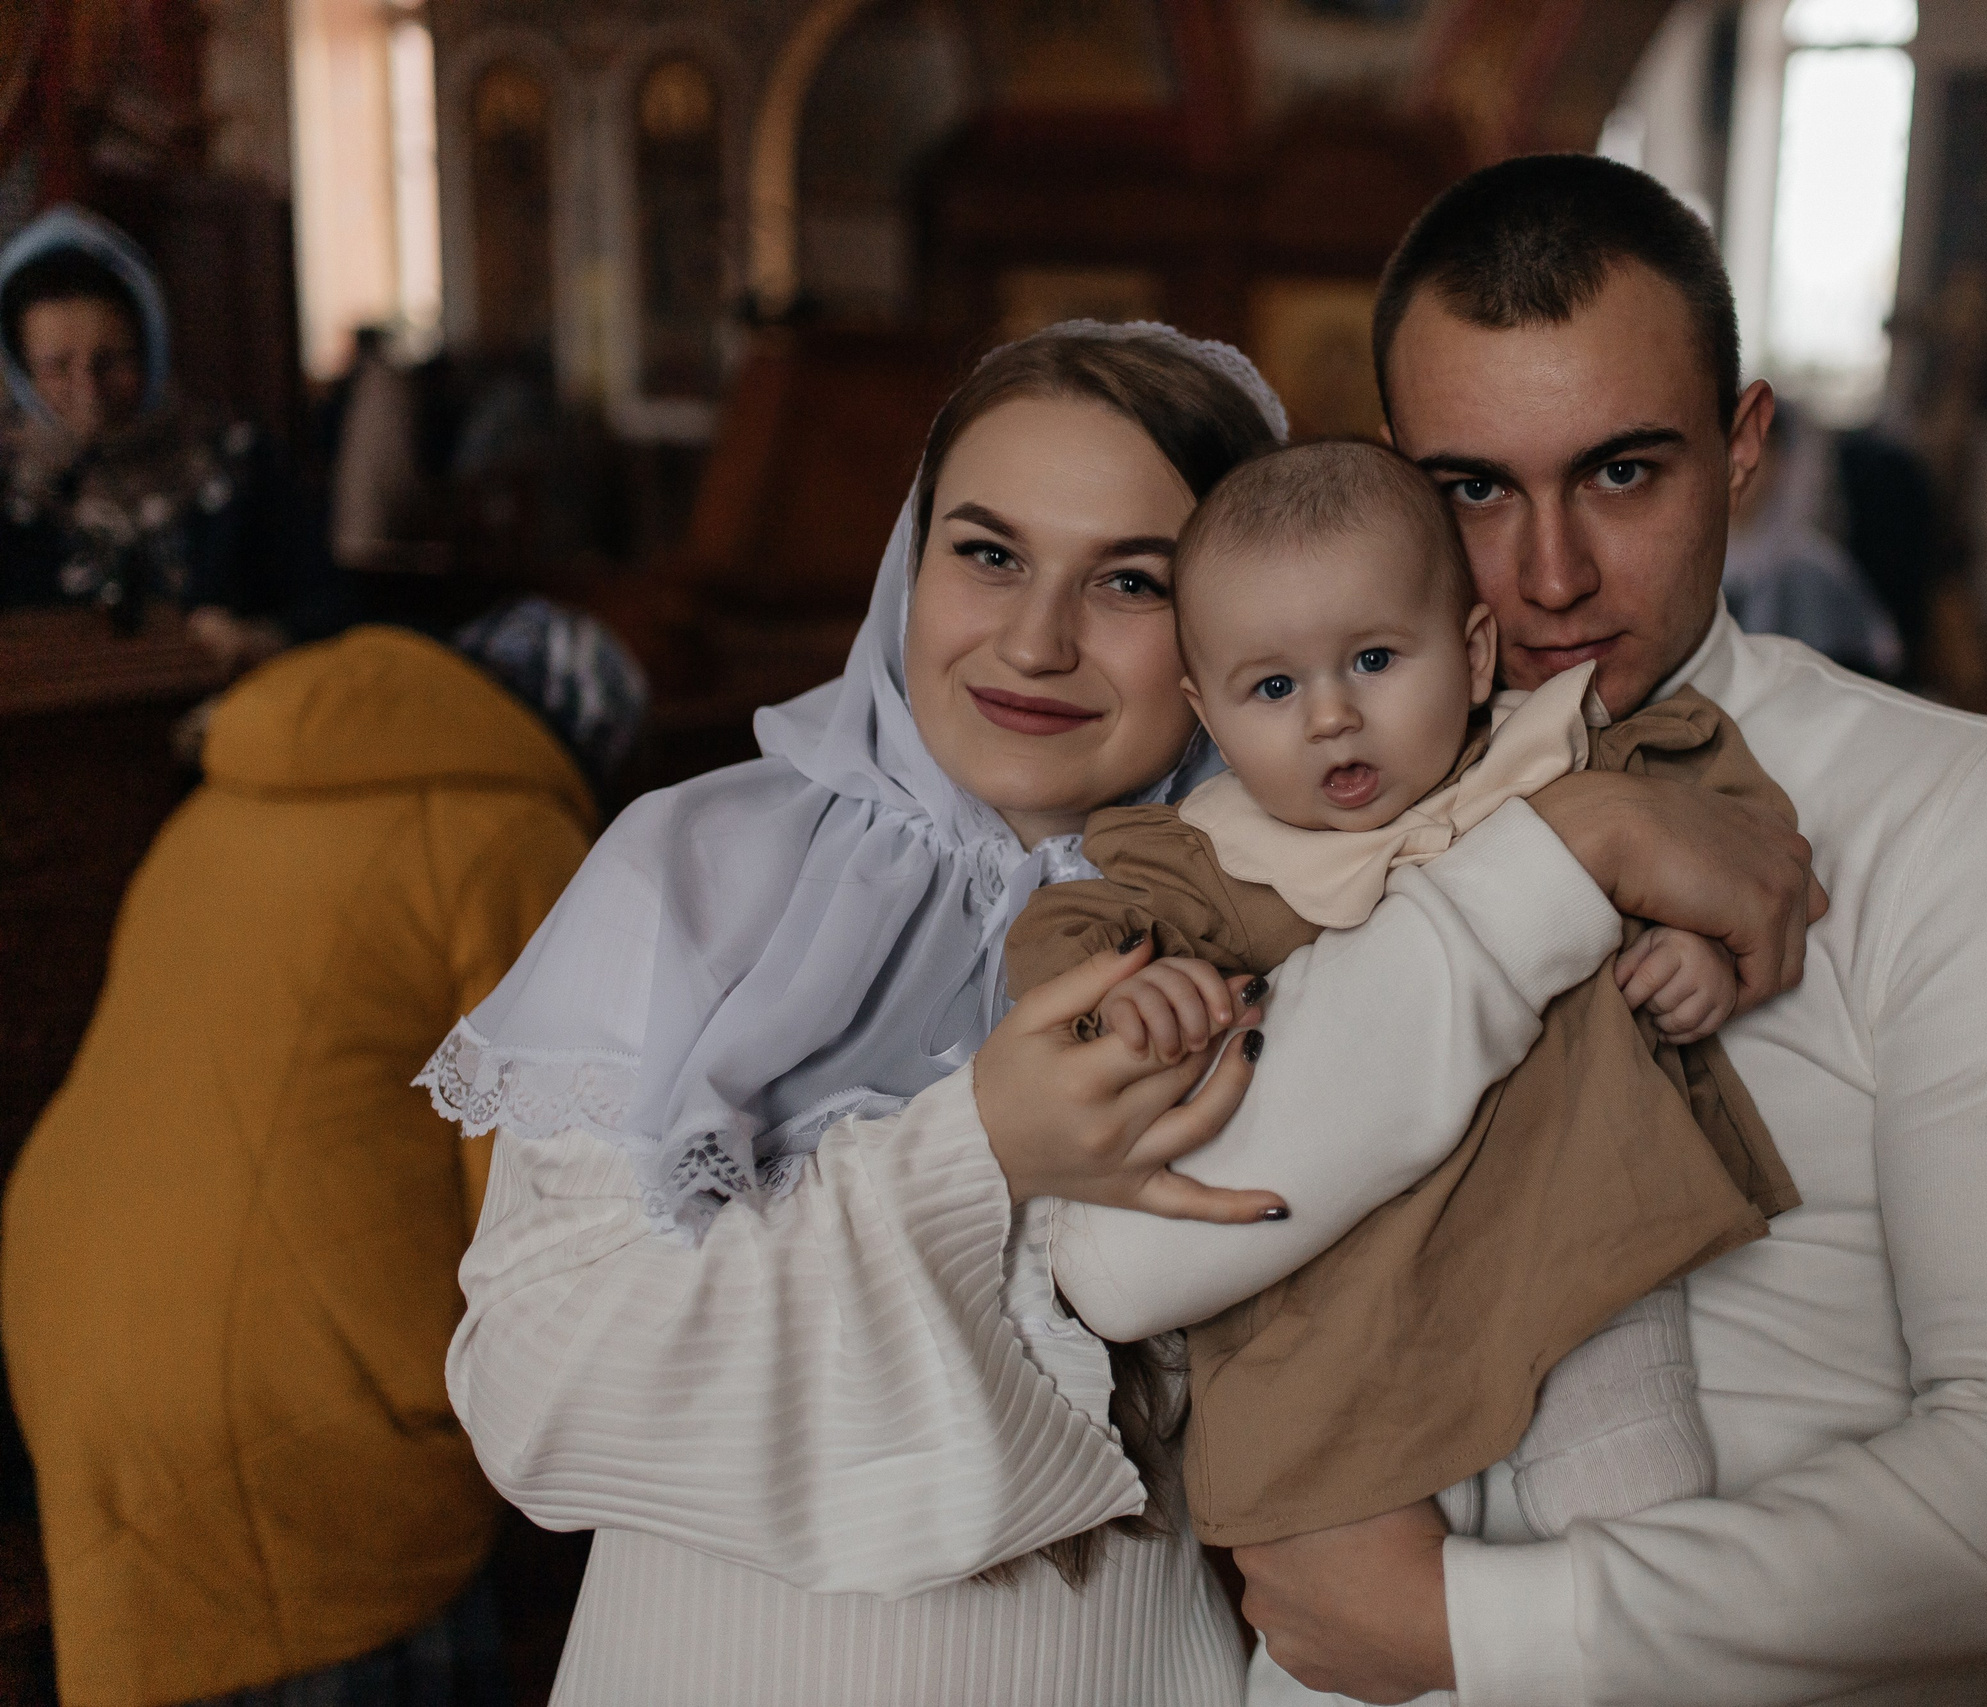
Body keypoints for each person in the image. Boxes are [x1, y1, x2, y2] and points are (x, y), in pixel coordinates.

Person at [429, 322, 1821, 1706]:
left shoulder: (1319, 882)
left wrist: (1576, 843)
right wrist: (978, 1148)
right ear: (911, 564)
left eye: (1131, 582)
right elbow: (539, 1404)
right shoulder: (691, 870)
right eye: (988, 554)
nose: (1034, 641)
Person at [1046, 155, 1987, 1707]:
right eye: (1473, 489)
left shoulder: (1951, 810)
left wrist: (1471, 1627)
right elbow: (1116, 1262)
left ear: (1745, 445)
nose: (1554, 574)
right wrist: (1571, 846)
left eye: (1624, 473)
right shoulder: (1269, 804)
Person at [1005, 438, 1795, 1553]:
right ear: (1207, 714)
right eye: (1273, 687)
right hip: (1352, 1309)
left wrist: (1691, 944)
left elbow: (1728, 852)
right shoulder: (1205, 860)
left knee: (1644, 1511)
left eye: (1374, 660)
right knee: (1343, 1573)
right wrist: (1135, 993)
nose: (1330, 715)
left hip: (1582, 1233)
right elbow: (1066, 936)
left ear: (1471, 655)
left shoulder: (1555, 759)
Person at [1, 599, 646, 1707]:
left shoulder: (226, 796)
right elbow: (544, 1204)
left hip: (73, 1334)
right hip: (295, 1388)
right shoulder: (513, 834)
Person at [0, 205, 339, 671]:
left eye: (112, 360)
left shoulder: (237, 463)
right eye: (57, 367)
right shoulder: (10, 487)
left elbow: (329, 608)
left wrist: (256, 639)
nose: (88, 389)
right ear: (22, 369)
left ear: (150, 348)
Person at [1722, 400, 1903, 678]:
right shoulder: (1683, 560)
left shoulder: (1812, 571)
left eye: (1757, 449)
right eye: (1729, 446)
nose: (1738, 464)